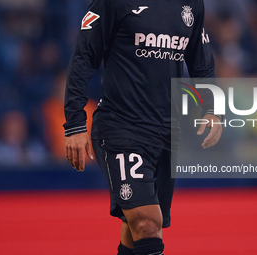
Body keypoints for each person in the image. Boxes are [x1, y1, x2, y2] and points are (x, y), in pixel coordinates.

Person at [64, 0, 222, 254]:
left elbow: (201, 63)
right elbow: (83, 56)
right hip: (121, 126)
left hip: (167, 131)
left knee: (134, 229)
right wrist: (74, 123)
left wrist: (211, 109)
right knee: (148, 222)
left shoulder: (191, 4)